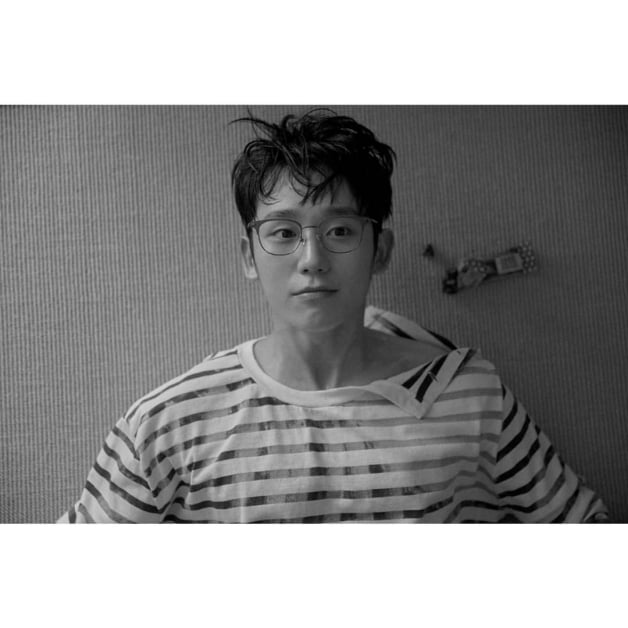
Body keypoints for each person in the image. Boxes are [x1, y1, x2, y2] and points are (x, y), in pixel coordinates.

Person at [58, 109, 609, 523]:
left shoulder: (471, 395)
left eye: (340, 230)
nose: (312, 259)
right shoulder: (171, 422)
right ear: (249, 256)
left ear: (381, 250)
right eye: (283, 232)